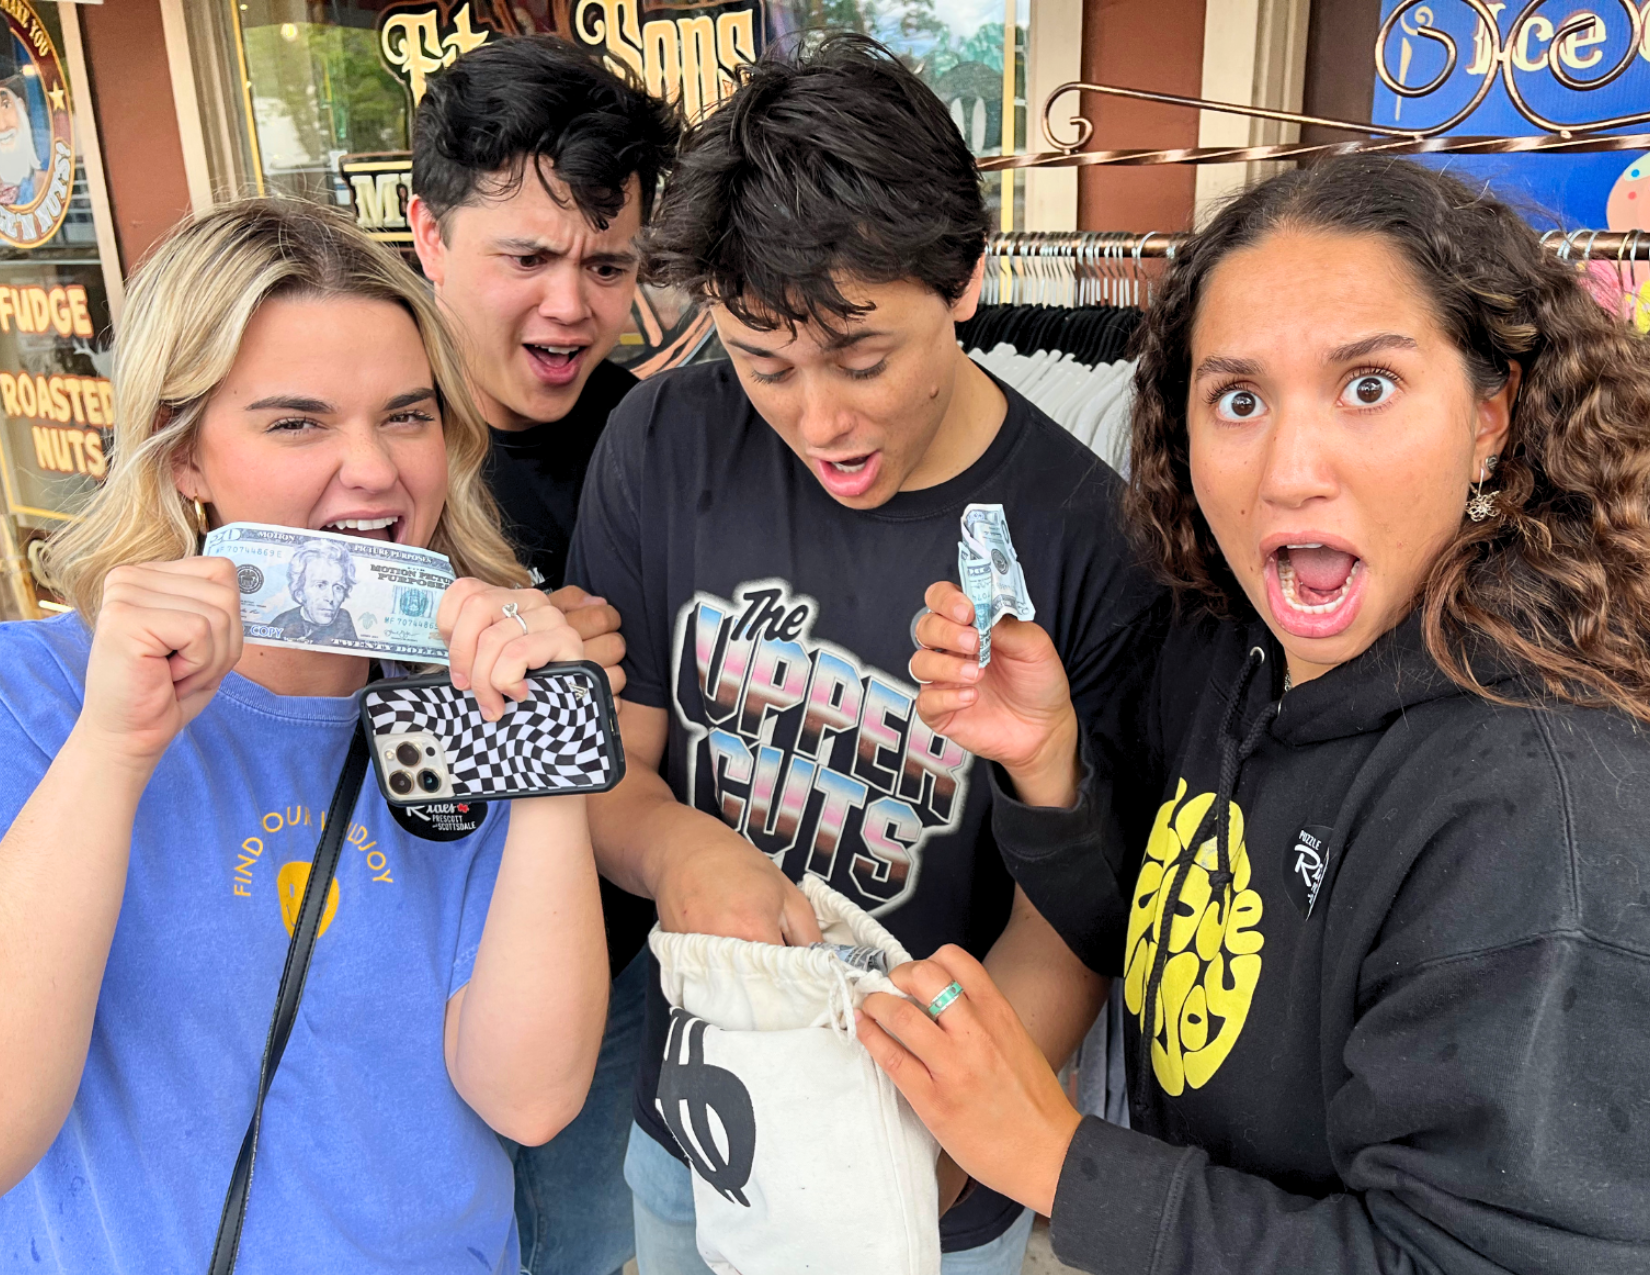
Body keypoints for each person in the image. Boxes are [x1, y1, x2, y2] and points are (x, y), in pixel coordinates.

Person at [857, 156, 1650, 1273]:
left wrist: (1053, 1159)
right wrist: (1047, 763)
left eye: (1367, 386)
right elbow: (1140, 930)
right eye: (1238, 399)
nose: (1289, 469)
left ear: (1491, 413)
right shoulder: (1225, 647)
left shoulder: (1544, 813)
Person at [568, 34, 1166, 1274]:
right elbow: (612, 765)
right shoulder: (661, 442)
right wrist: (680, 845)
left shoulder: (1087, 540)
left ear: (964, 282)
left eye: (862, 357)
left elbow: (1073, 931)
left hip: (925, 1182)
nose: (818, 420)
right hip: (694, 1129)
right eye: (764, 364)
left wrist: (930, 1159)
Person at [0, 200, 615, 1272]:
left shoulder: (477, 702)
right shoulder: (34, 698)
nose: (374, 469)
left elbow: (530, 1099)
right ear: (185, 453)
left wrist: (548, 751)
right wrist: (112, 750)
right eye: (297, 422)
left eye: (408, 416)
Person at [408, 36, 680, 1275]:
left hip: (597, 968)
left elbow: (660, 729)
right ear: (428, 235)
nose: (572, 304)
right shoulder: (366, 434)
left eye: (607, 264)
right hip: (383, 950)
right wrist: (546, 691)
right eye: (527, 257)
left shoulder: (657, 443)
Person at [273, 538, 359, 642]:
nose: (331, 598)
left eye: (338, 587)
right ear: (300, 594)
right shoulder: (281, 622)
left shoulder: (343, 622)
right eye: (320, 585)